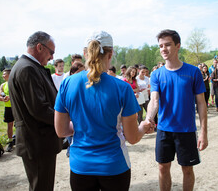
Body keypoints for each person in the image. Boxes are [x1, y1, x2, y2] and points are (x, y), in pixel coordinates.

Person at [54, 31, 153, 191]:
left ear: (85, 53)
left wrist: (83, 126)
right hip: (114, 166)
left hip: (81, 166)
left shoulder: (67, 84)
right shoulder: (122, 88)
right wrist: (144, 127)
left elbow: (61, 130)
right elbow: (133, 137)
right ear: (111, 53)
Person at [146, 29, 208, 191]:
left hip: (186, 130)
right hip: (164, 130)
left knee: (187, 169)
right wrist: (149, 118)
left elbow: (201, 103)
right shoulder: (156, 74)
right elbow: (154, 100)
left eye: (167, 45)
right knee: (162, 168)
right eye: (160, 46)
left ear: (178, 46)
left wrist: (203, 132)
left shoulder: (193, 72)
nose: (163, 49)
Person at [8, 31, 62, 191]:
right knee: (41, 186)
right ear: (39, 47)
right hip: (38, 141)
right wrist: (65, 120)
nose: (52, 57)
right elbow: (39, 109)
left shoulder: (27, 67)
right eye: (51, 52)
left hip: (38, 141)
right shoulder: (27, 69)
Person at [0, 69, 14, 152]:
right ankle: (10, 141)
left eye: (4, 74)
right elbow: (0, 96)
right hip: (8, 108)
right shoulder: (2, 85)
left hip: (16, 107)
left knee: (19, 125)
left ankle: (20, 140)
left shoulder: (14, 83)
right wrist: (3, 98)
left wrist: (10, 97)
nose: (3, 76)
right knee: (9, 125)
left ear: (9, 74)